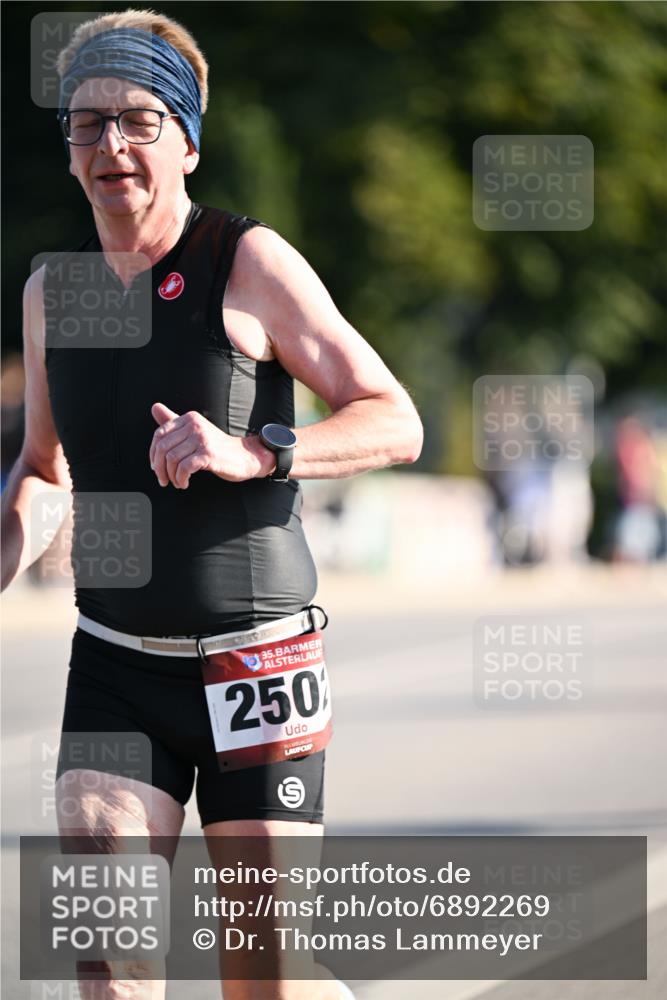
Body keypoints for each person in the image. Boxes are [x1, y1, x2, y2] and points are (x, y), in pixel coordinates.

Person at [0, 9, 423, 1000]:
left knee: (261, 973)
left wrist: (254, 451)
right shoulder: (53, 294)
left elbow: (394, 419)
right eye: (86, 123)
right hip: (114, 663)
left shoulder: (248, 262)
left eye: (138, 120)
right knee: (108, 964)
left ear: (186, 141)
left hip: (256, 660)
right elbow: (44, 470)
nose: (111, 144)